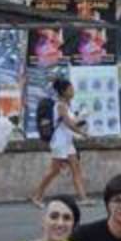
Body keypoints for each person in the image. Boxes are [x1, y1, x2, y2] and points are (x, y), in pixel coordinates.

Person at [31, 78, 90, 206]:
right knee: (54, 171)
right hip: (59, 143)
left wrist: (81, 118)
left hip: (67, 143)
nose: (73, 91)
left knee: (76, 169)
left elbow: (71, 122)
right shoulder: (61, 105)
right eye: (70, 89)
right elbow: (69, 124)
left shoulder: (68, 105)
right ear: (63, 92)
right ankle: (37, 197)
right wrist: (82, 132)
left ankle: (83, 198)